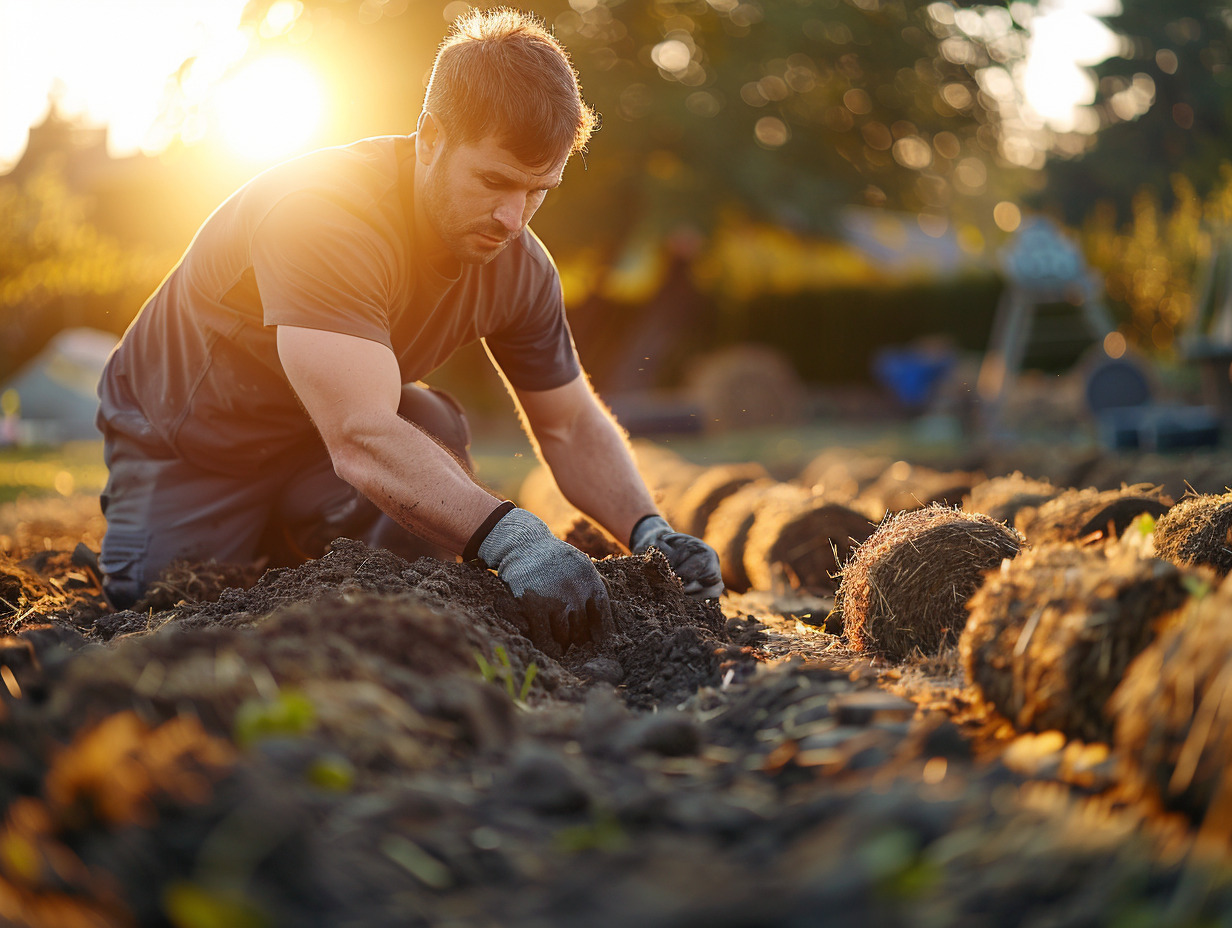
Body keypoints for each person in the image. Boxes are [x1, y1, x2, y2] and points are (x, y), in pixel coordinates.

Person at [95, 8, 723, 651]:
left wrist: (649, 533)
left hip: (317, 451)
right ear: (430, 139)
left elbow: (567, 421)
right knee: (168, 608)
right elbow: (361, 434)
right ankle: (238, 534)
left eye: (539, 191)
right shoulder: (325, 214)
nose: (513, 217)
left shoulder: (522, 265)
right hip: (191, 442)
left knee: (432, 428)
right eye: (494, 181)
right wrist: (513, 538)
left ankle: (297, 546)